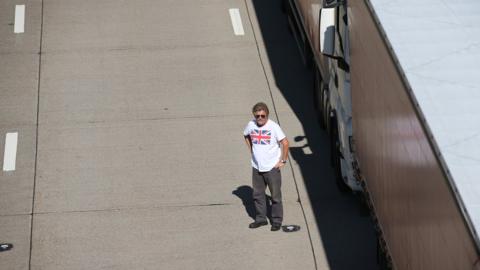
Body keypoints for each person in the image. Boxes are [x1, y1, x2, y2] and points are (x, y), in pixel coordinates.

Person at [243, 102, 289, 231]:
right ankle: (261, 219)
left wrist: (283, 161)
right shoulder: (251, 125)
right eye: (257, 116)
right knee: (257, 194)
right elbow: (246, 135)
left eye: (263, 116)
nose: (260, 118)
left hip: (272, 168)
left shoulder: (274, 127)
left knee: (275, 196)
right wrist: (251, 150)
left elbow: (285, 143)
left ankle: (276, 221)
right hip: (257, 167)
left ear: (267, 115)